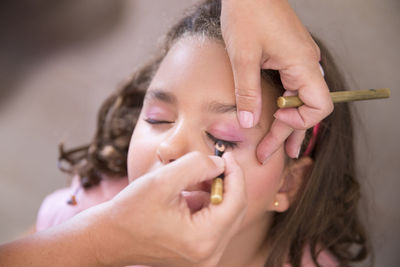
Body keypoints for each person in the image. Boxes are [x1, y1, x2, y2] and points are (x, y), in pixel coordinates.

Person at [0, 0, 335, 266]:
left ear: (287, 184)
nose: (171, 145)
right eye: (158, 119)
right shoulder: (78, 214)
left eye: (223, 138)